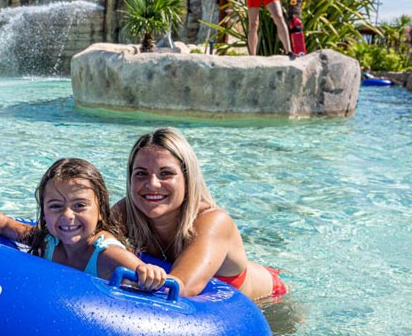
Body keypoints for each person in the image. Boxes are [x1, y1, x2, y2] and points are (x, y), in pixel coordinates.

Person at [0, 158, 167, 289]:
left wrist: (148, 273)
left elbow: (144, 274)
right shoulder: (49, 241)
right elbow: (5, 226)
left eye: (80, 205)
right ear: (43, 211)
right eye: (55, 206)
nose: (68, 215)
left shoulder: (107, 255)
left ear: (100, 212)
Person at [113, 127, 288, 301]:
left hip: (268, 300)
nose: (152, 184)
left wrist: (137, 274)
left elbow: (181, 288)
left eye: (166, 173)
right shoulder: (129, 211)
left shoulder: (213, 221)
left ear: (187, 179)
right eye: (141, 174)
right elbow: (97, 240)